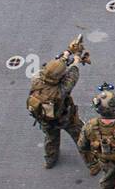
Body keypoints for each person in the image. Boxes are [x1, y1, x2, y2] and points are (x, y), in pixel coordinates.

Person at [26, 38, 92, 171]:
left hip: (44, 119)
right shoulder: (61, 90)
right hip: (64, 118)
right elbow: (73, 71)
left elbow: (53, 66)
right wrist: (77, 57)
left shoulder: (36, 79)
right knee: (80, 136)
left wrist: (68, 51)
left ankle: (50, 160)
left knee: (51, 139)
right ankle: (92, 163)